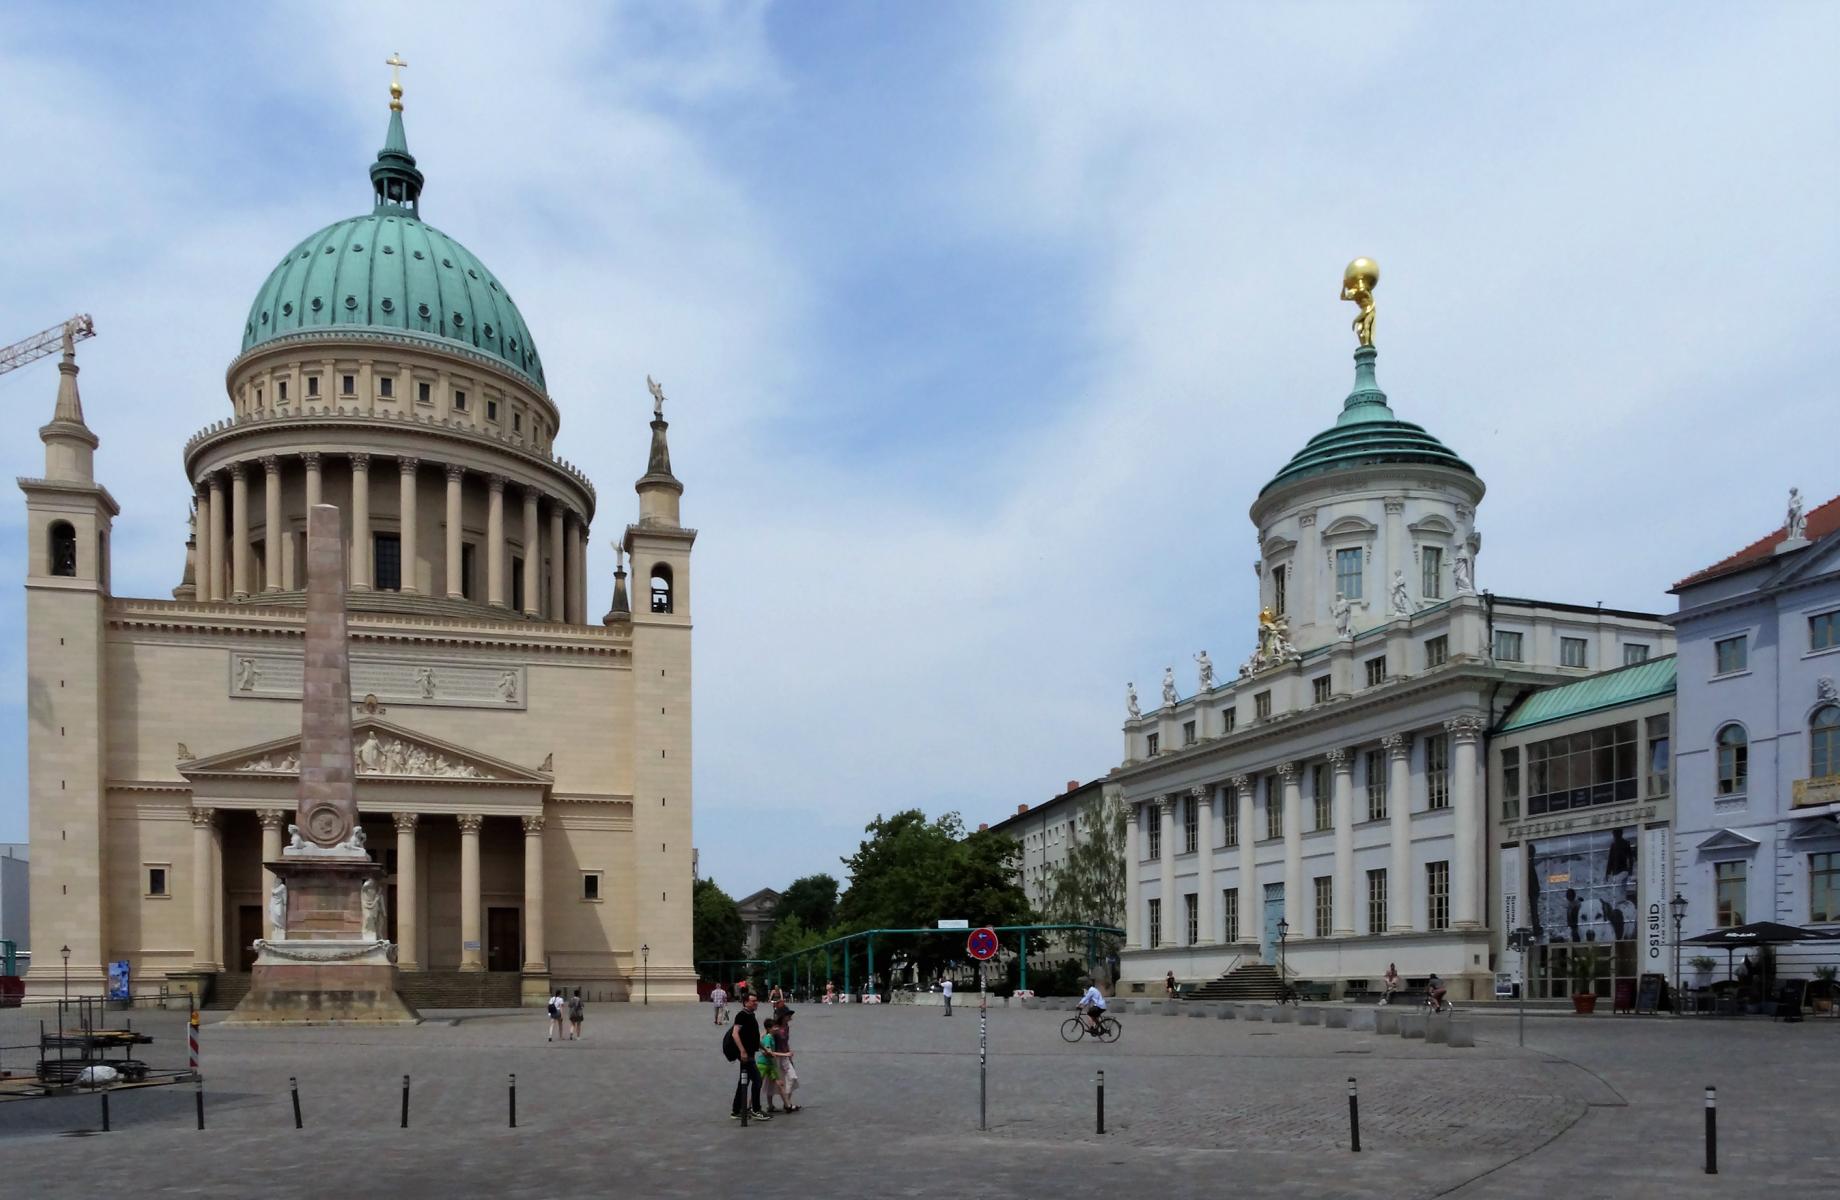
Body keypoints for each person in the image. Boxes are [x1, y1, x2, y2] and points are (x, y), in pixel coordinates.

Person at [730, 993, 768, 1121]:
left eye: (756, 1001)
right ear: (745, 1002)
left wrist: (764, 1049)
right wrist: (742, 1051)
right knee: (757, 1080)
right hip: (746, 1055)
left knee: (743, 1082)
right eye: (753, 1001)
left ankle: (736, 1110)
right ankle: (756, 1109)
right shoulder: (742, 1015)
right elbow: (735, 1034)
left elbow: (754, 1037)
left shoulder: (751, 1015)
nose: (756, 1003)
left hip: (750, 1053)